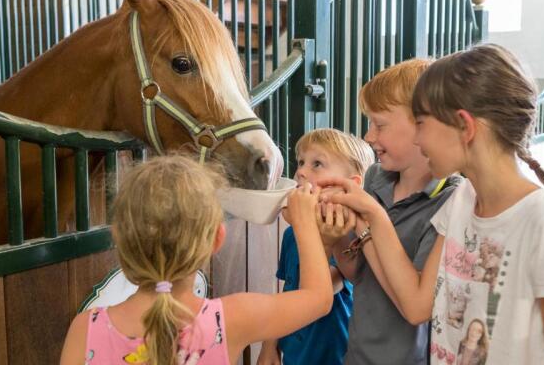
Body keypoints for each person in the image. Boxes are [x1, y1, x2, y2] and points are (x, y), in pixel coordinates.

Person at [320, 44, 544, 364]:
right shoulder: (461, 202)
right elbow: (415, 304)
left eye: (421, 124)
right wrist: (370, 215)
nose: (419, 141)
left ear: (464, 126)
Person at [60, 154, 333, 365]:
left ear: (118, 238)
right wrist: (304, 221)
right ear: (217, 238)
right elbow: (319, 297)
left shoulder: (86, 329)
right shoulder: (229, 320)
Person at [326, 59, 460, 364]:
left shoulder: (450, 201)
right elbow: (355, 272)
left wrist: (369, 219)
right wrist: (334, 236)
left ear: (422, 124)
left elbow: (413, 305)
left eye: (379, 124)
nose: (369, 137)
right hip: (358, 354)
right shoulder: (374, 177)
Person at [257, 128, 375, 365]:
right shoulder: (292, 234)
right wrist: (270, 344)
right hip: (294, 352)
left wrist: (313, 235)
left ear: (349, 185)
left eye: (317, 164)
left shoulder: (349, 236)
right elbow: (289, 291)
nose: (300, 171)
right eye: (301, 162)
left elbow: (315, 297)